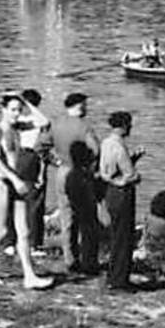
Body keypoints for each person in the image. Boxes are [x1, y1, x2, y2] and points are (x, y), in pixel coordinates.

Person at [0, 94, 53, 290]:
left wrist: (24, 100)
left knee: (24, 232)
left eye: (19, 110)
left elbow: (44, 122)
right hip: (2, 182)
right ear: (3, 110)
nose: (16, 114)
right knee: (2, 230)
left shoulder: (17, 128)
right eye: (12, 109)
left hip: (17, 182)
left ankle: (29, 276)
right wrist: (15, 179)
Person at [48, 92, 100, 273]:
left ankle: (69, 258)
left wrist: (55, 161)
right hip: (79, 172)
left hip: (61, 171)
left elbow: (41, 146)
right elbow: (96, 150)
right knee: (87, 219)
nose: (87, 108)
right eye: (85, 105)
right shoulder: (83, 127)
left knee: (66, 217)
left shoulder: (55, 123)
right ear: (79, 106)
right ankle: (89, 260)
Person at [98, 110, 142, 291]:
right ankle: (119, 280)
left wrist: (133, 159)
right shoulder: (119, 146)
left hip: (110, 190)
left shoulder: (106, 143)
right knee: (124, 237)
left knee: (116, 234)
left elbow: (110, 170)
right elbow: (129, 175)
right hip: (122, 193)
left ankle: (113, 275)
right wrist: (137, 175)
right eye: (129, 124)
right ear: (124, 126)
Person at [61, 139, 104, 276]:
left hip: (76, 205)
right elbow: (95, 192)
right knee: (90, 235)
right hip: (86, 207)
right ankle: (89, 264)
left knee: (75, 231)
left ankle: (75, 261)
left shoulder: (72, 174)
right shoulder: (83, 176)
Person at [16, 89, 51, 251]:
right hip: (31, 158)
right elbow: (44, 122)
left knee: (21, 199)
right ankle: (33, 243)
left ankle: (19, 241)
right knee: (35, 201)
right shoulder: (28, 120)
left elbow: (43, 121)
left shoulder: (23, 119)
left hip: (21, 158)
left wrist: (26, 103)